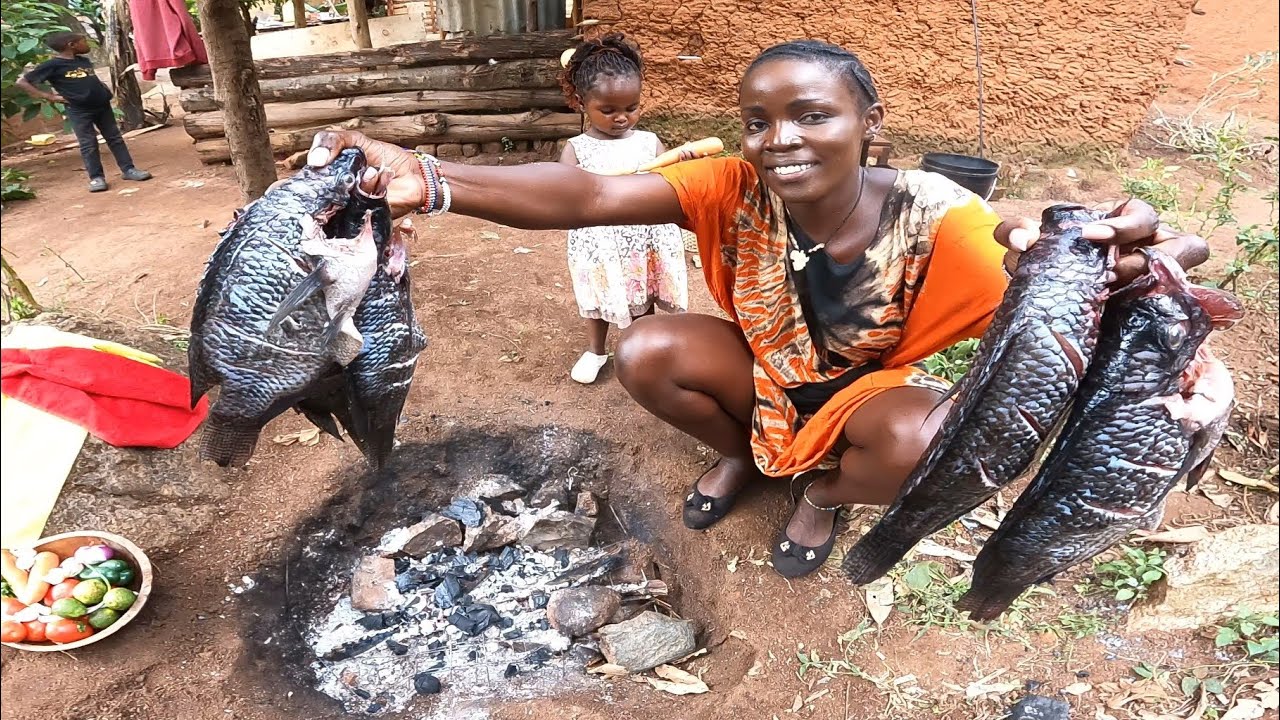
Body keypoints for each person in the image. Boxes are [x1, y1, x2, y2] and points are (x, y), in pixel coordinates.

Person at [305, 39, 1208, 578]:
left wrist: (1111, 264)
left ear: (868, 121)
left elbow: (1026, 270)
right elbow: (586, 197)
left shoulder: (934, 209)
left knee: (919, 443)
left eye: (812, 115)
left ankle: (818, 491)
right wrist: (429, 177)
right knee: (647, 349)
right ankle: (752, 457)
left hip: (864, 391)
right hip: (766, 371)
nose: (779, 140)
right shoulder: (731, 187)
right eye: (758, 120)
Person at [556, 33, 688, 384]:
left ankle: (641, 350)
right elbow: (566, 195)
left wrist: (683, 163)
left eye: (631, 108)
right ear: (583, 103)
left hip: (643, 236)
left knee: (642, 291)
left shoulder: (649, 142)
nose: (621, 118)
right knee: (600, 294)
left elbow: (670, 181)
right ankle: (596, 350)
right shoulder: (576, 149)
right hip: (600, 240)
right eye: (609, 110)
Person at [17, 32, 153, 193]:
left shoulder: (83, 61)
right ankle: (96, 178)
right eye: (83, 41)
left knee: (115, 138)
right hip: (79, 110)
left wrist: (102, 90)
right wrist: (49, 96)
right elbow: (22, 81)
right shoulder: (52, 65)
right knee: (88, 143)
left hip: (102, 106)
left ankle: (129, 170)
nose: (87, 44)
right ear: (71, 45)